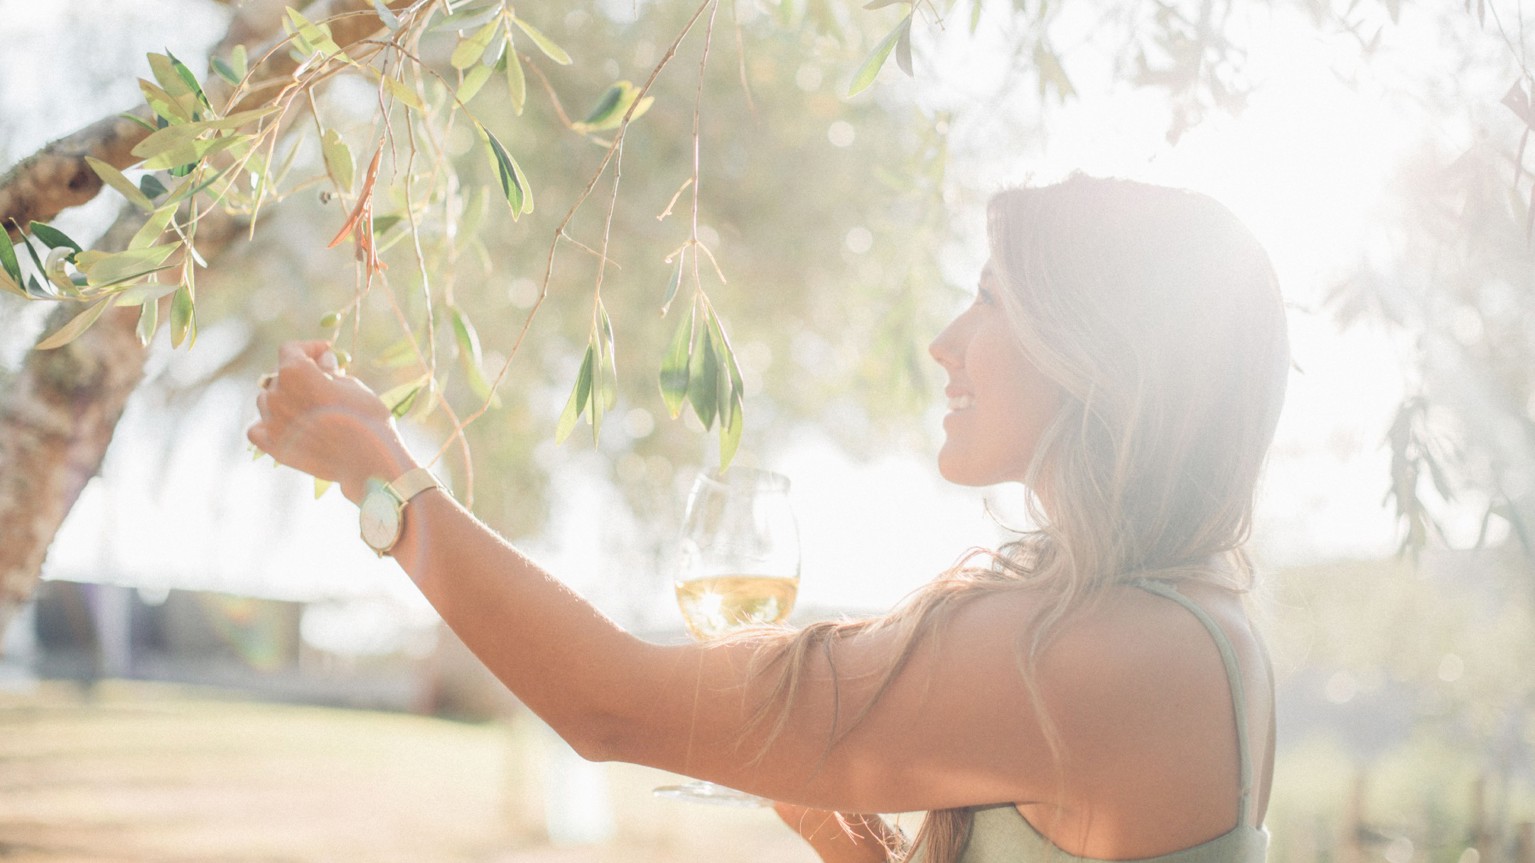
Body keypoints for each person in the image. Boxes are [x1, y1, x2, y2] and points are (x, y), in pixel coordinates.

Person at [248, 174, 1288, 863]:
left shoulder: (1092, 648)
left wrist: (380, 480)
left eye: (989, 298)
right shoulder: (1188, 623)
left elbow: (608, 703)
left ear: (1091, 349)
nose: (943, 340)